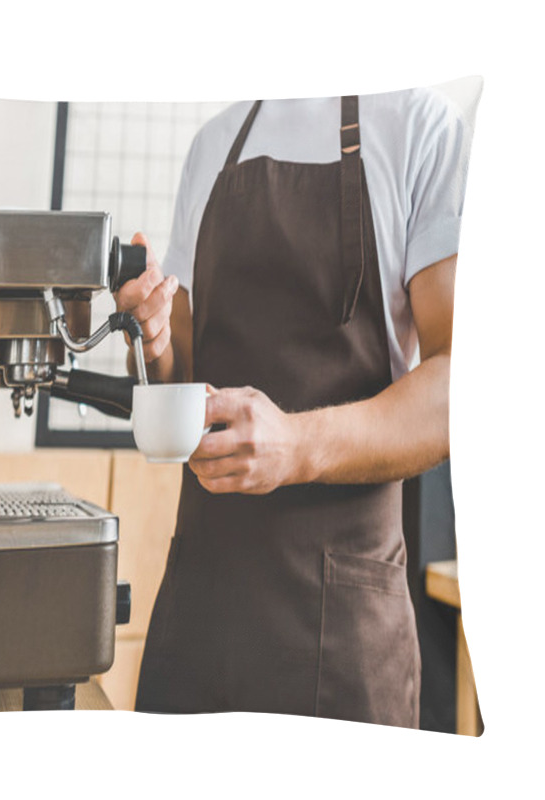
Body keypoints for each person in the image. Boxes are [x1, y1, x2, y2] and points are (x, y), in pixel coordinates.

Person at [114, 88, 475, 727]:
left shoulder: (422, 127)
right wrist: (153, 341)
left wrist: (298, 445)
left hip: (341, 633)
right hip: (197, 613)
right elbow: (185, 370)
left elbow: (459, 386)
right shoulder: (214, 146)